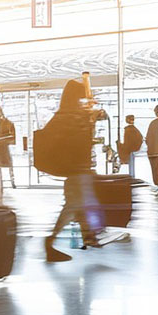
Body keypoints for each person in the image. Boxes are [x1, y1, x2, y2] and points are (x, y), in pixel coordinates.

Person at [44, 78, 125, 261]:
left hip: (76, 168)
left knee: (80, 204)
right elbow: (82, 138)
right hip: (77, 169)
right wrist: (92, 118)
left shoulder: (63, 114)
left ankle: (89, 236)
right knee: (74, 206)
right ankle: (50, 242)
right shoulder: (72, 116)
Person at [118, 114, 143, 179]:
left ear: (128, 120)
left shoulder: (128, 130)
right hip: (134, 149)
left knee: (129, 166)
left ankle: (131, 176)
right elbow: (140, 138)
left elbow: (126, 141)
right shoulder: (135, 130)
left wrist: (121, 146)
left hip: (128, 150)